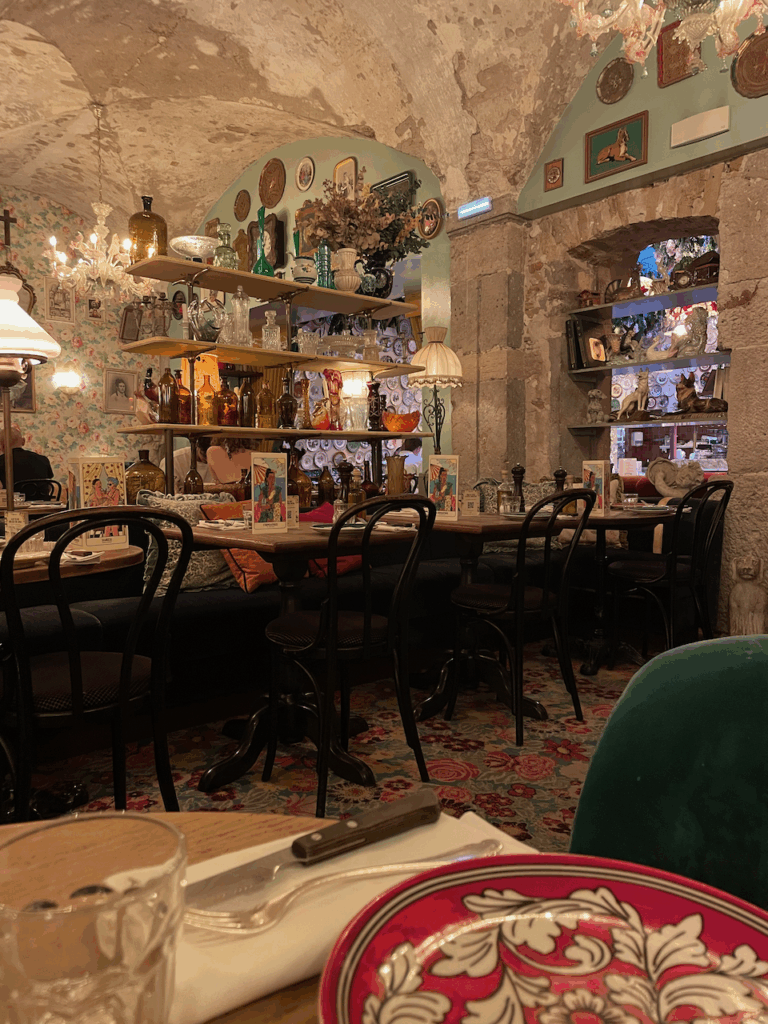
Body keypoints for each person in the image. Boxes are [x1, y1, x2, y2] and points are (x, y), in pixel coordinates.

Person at [0, 424, 54, 501]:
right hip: (42, 509)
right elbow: (48, 486)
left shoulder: (2, 461)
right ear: (23, 441)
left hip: (14, 509)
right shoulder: (43, 459)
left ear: (2, 446)